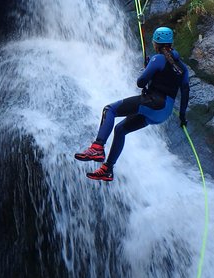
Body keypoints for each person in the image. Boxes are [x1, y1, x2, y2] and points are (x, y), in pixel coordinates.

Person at [75, 27, 190, 181]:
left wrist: (148, 69)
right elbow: (185, 92)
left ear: (156, 44)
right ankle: (107, 169)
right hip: (163, 113)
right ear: (170, 43)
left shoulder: (158, 59)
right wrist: (182, 117)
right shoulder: (182, 67)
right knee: (120, 129)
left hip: (153, 103)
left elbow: (140, 83)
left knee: (110, 109)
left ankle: (97, 147)